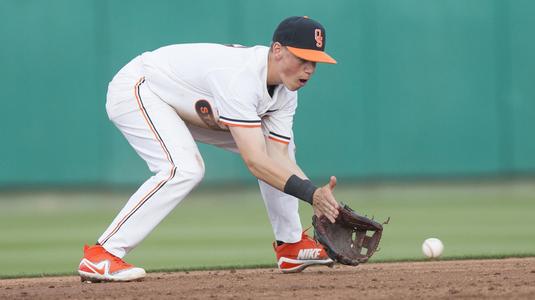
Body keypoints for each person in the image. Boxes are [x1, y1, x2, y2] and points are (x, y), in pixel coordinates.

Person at [78, 16, 340, 282]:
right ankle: (102, 254)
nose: (308, 69)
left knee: (277, 146)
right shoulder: (240, 77)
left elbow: (279, 157)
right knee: (183, 169)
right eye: (302, 58)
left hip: (186, 103)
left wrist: (320, 198)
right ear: (277, 50)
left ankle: (291, 245)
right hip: (141, 88)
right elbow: (256, 162)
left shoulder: (286, 92)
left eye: (314, 62)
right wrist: (310, 194)